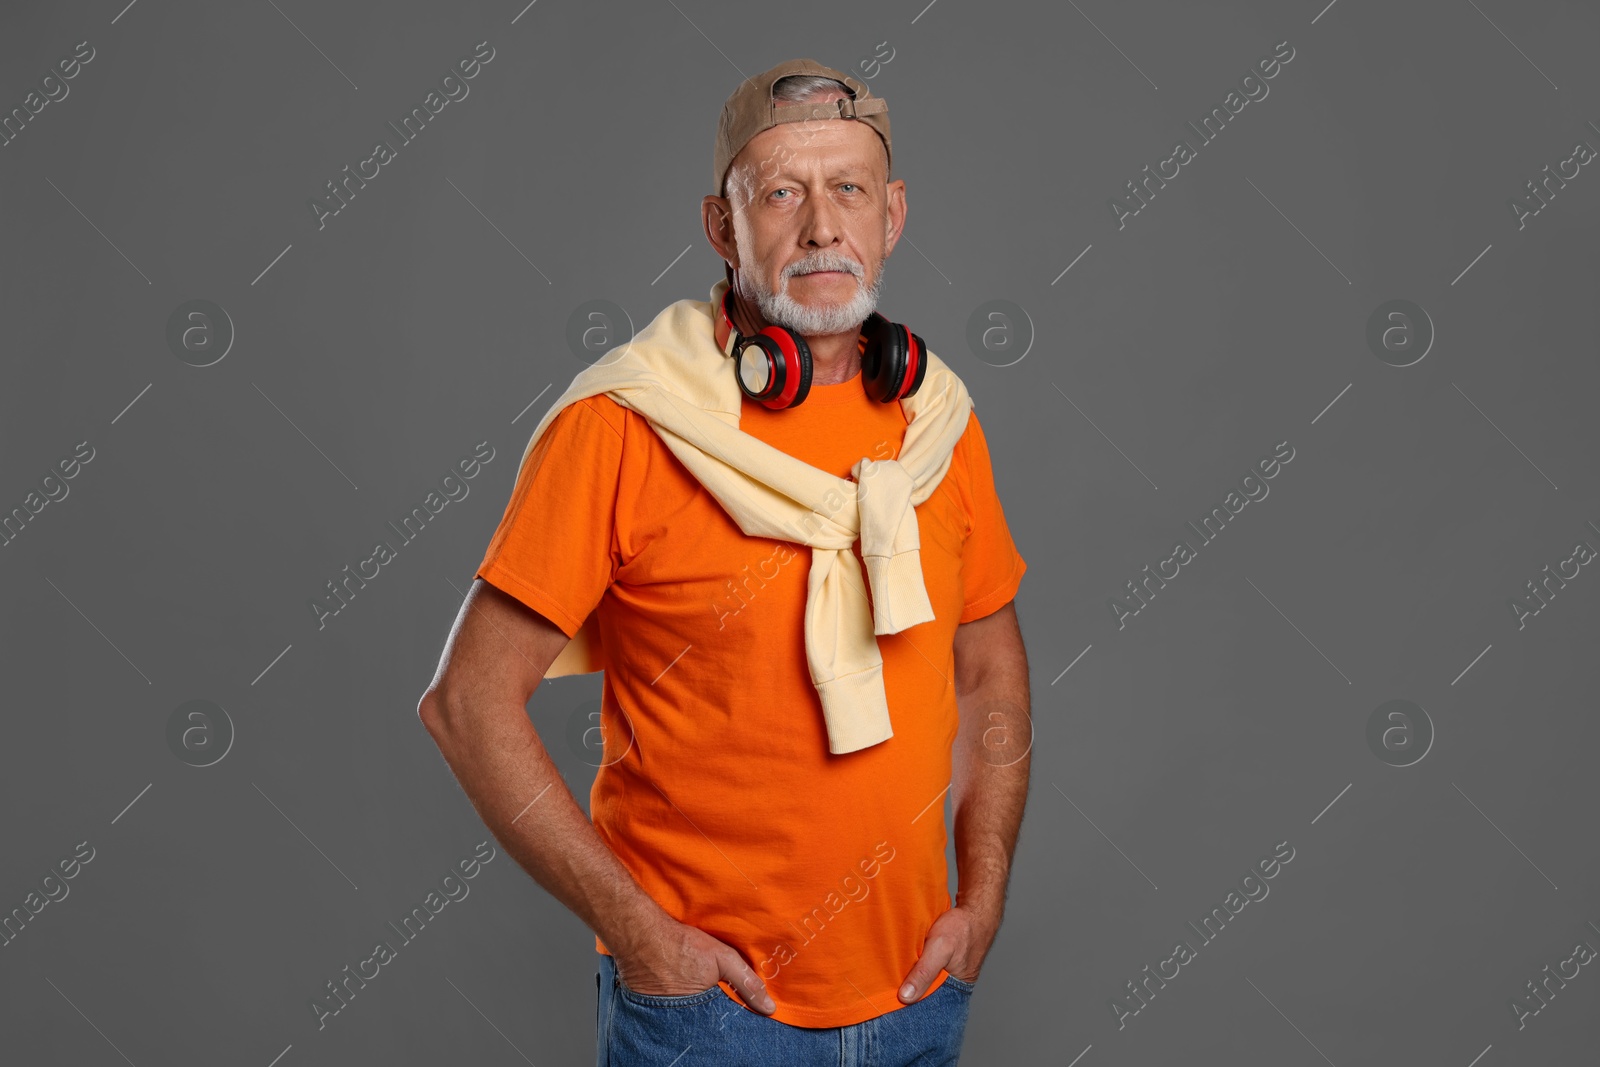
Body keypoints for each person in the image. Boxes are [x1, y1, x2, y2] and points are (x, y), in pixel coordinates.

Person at [418, 57, 1032, 1066]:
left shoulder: (938, 423)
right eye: (781, 192)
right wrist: (645, 940)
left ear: (894, 214)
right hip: (707, 1016)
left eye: (849, 189)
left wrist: (982, 900)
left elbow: (988, 662)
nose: (822, 226)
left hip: (920, 996)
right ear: (722, 226)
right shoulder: (625, 423)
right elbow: (467, 703)